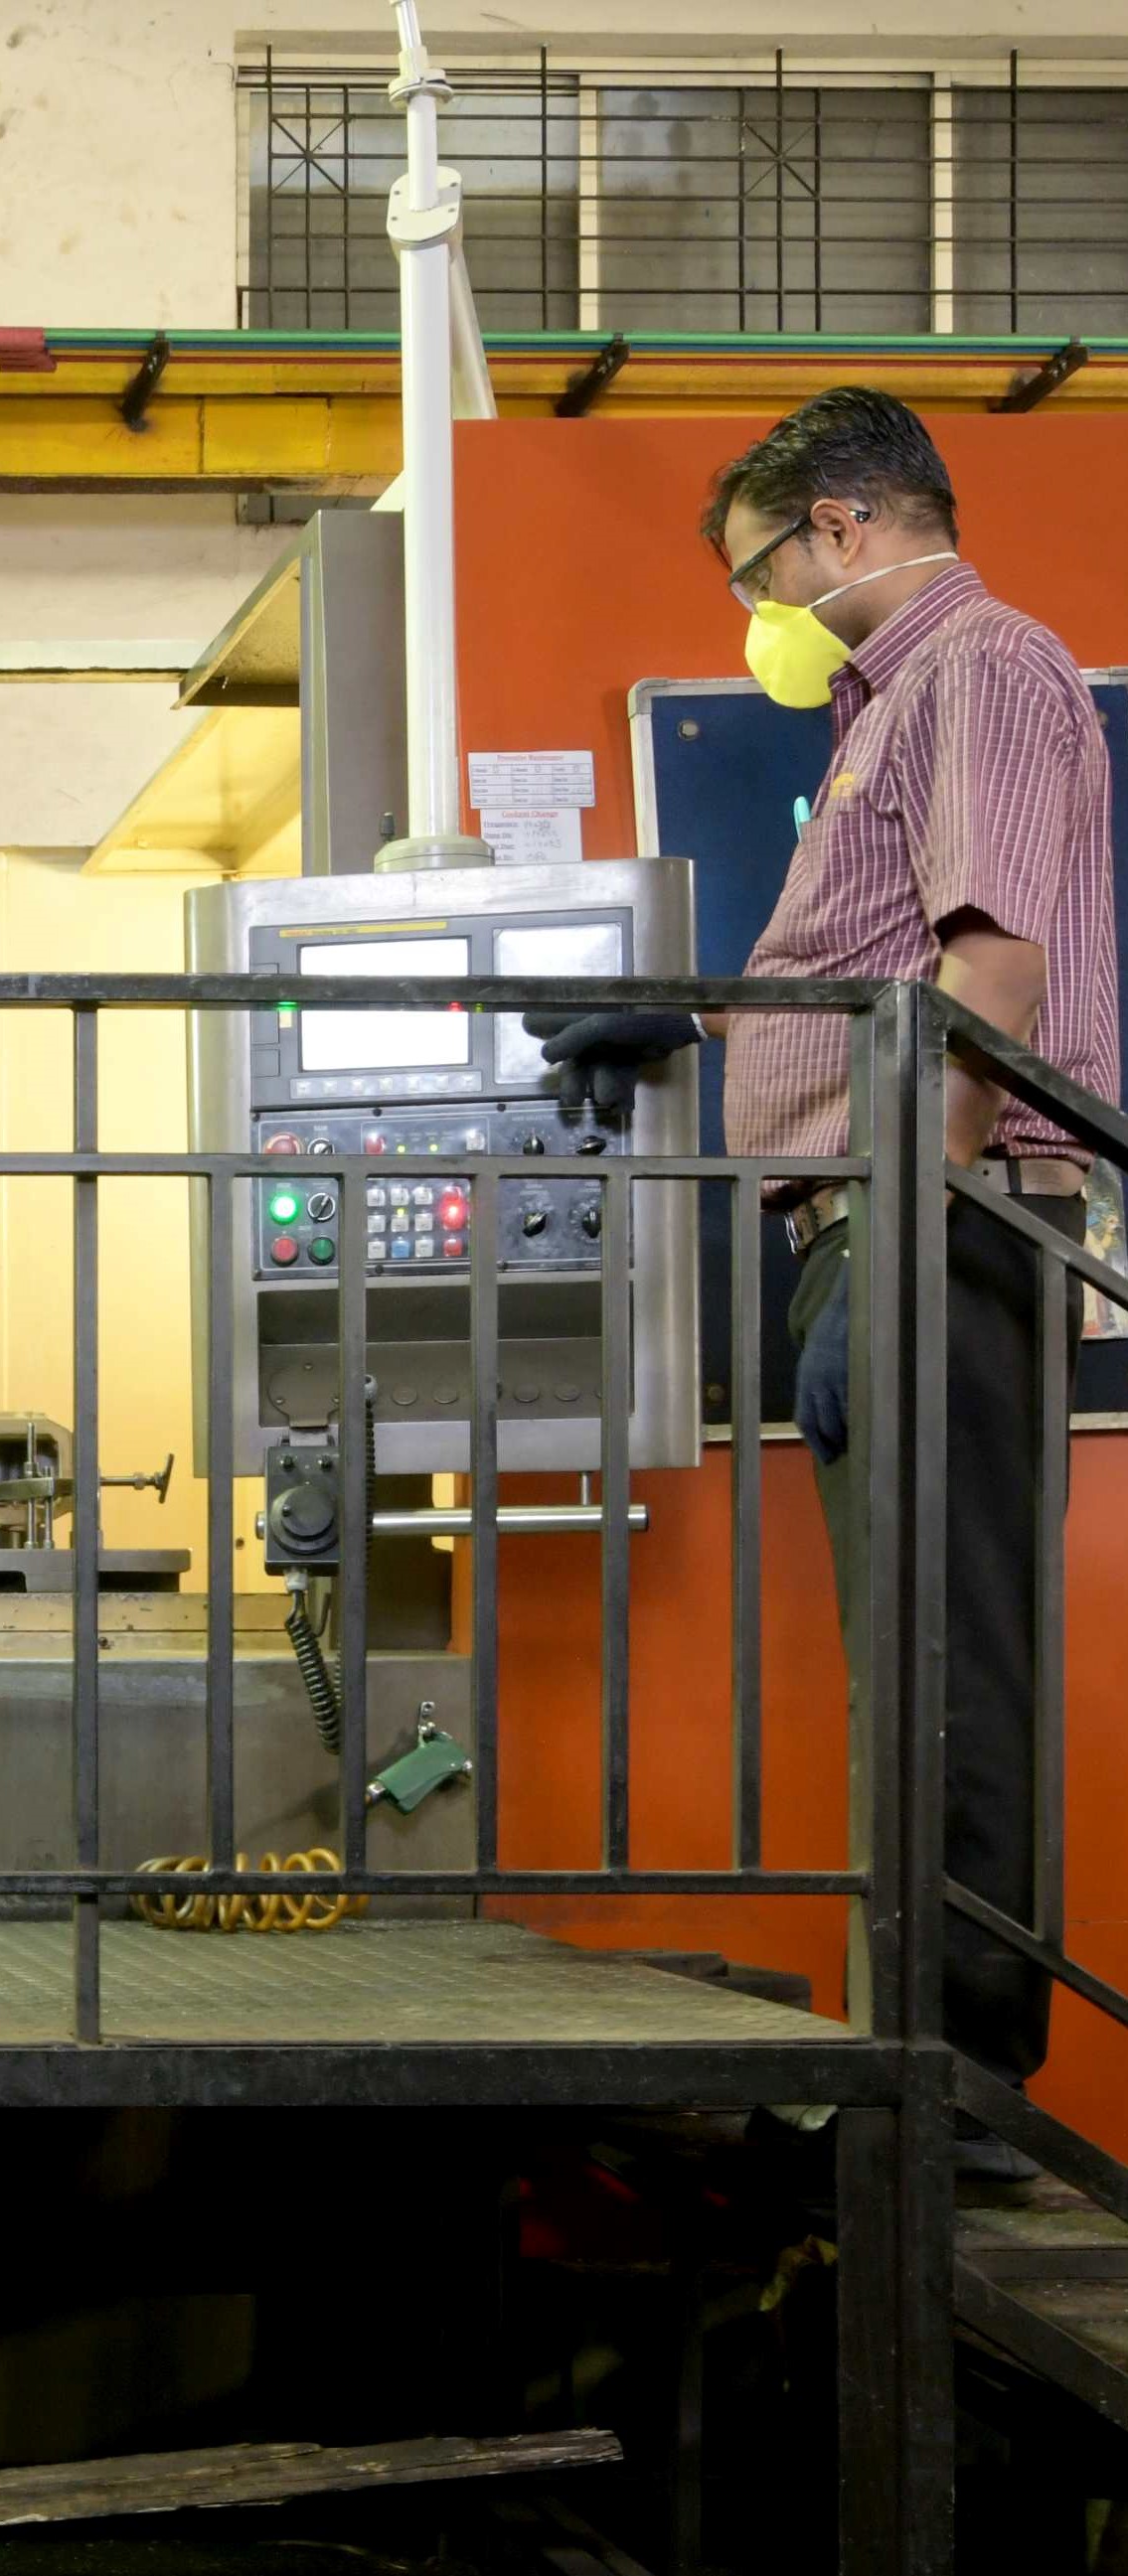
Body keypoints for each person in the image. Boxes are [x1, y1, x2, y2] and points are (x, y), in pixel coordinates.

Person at [532, 387, 1117, 2161]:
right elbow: (870, 960)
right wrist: (702, 1014)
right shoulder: (891, 703)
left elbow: (992, 973)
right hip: (882, 1213)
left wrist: (911, 1221)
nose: (757, 610)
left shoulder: (981, 669)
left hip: (938, 1213)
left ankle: (957, 2084)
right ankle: (911, 2068)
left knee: (949, 1660)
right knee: (908, 1664)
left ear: (845, 524)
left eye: (759, 570)